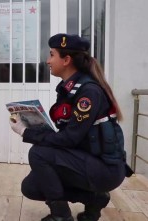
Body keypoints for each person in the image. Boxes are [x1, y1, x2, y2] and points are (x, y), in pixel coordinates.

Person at [9, 34, 133, 221]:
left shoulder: (88, 92)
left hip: (105, 169)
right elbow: (69, 134)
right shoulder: (69, 88)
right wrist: (32, 124)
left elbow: (69, 138)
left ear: (66, 60)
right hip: (85, 159)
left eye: (52, 55)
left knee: (38, 153)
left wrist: (26, 133)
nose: (48, 61)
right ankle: (94, 198)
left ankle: (61, 216)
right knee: (31, 187)